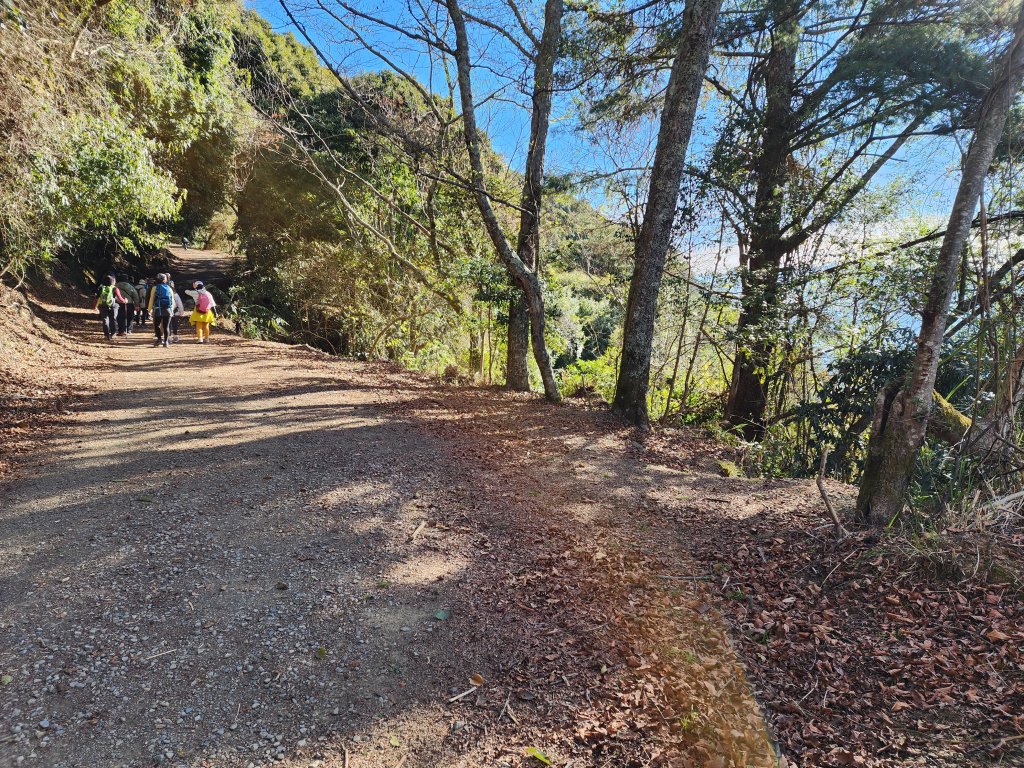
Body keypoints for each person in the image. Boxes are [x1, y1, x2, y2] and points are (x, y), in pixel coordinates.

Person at [93, 275, 125, 342]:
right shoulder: (115, 288)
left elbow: (97, 297)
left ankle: (106, 335)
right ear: (112, 281)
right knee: (113, 319)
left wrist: (95, 306)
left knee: (105, 320)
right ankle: (113, 334)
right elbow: (120, 298)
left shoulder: (101, 288)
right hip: (113, 306)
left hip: (103, 305)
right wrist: (125, 301)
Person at [147, 273, 175, 347]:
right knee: (166, 326)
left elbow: (151, 300)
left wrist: (149, 309)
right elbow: (172, 300)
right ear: (165, 280)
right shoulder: (169, 288)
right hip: (168, 310)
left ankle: (159, 339)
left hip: (158, 310)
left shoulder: (154, 288)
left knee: (157, 325)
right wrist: (172, 310)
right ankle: (166, 342)